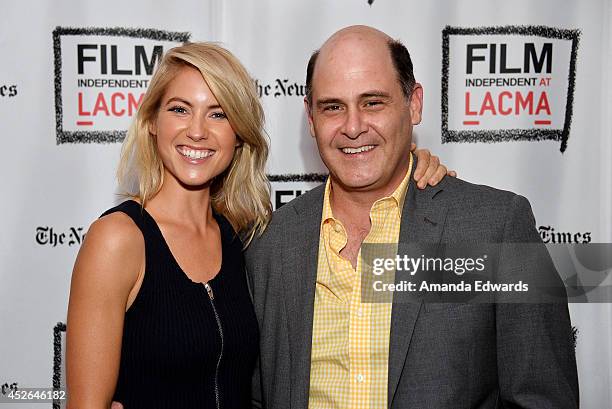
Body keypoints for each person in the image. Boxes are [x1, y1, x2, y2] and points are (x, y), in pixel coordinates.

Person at [66, 42, 450, 409]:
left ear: (238, 135)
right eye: (180, 110)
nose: (197, 131)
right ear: (152, 121)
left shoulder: (245, 237)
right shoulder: (118, 239)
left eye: (218, 114)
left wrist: (410, 164)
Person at [245, 25, 579, 408]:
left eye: (373, 102)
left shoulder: (495, 228)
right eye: (333, 107)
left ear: (414, 103)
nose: (353, 127)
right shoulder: (270, 244)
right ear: (310, 117)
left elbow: (543, 398)